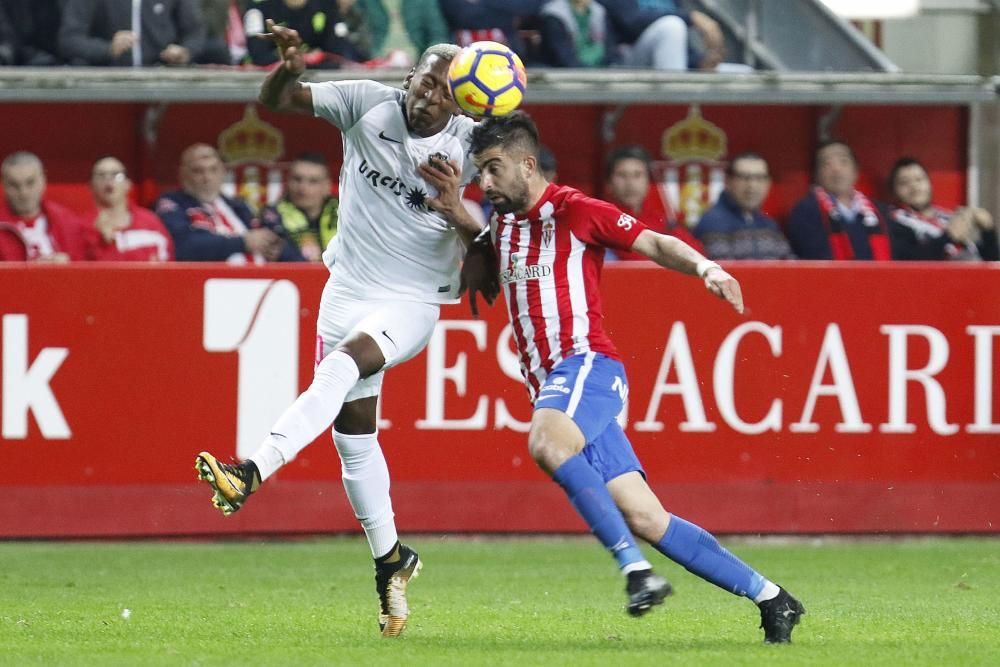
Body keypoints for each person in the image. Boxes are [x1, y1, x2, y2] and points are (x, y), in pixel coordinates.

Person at [424, 110, 805, 642]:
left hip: (587, 366)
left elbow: (652, 243)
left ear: (526, 164)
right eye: (479, 173)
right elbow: (488, 251)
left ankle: (635, 570)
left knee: (547, 442)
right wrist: (452, 211)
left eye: (492, 170)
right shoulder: (503, 223)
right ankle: (772, 598)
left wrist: (707, 269)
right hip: (559, 385)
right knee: (648, 518)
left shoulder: (577, 211)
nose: (483, 183)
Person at [193, 22, 492, 638]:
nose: (427, 97)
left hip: (411, 302)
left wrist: (454, 205)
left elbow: (486, 264)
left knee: (340, 368)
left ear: (460, 99)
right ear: (409, 79)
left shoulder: (472, 147)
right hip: (347, 289)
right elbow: (275, 102)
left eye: (442, 91)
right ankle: (391, 561)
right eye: (424, 83)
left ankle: (250, 470)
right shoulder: (366, 102)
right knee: (354, 440)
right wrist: (287, 65)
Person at [156, 143, 302, 263]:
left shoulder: (237, 206)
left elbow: (269, 238)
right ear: (183, 174)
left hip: (261, 282)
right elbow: (183, 246)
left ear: (222, 172)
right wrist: (242, 243)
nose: (207, 178)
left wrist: (277, 249)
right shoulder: (172, 204)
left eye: (213, 170)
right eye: (198, 171)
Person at [786, 140, 892, 261]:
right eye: (827, 164)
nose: (836, 169)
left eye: (843, 161)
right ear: (816, 175)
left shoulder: (882, 212)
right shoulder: (805, 211)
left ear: (856, 171)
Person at [888, 157, 998, 262]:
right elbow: (910, 260)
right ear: (894, 191)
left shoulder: (950, 217)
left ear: (929, 183)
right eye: (904, 182)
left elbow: (992, 260)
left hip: (977, 276)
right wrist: (948, 237)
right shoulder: (893, 221)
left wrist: (988, 231)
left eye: (919, 179)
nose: (914, 186)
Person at [604, 144, 703, 260]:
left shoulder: (662, 220)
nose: (630, 183)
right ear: (609, 183)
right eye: (622, 175)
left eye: (637, 175)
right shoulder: (603, 220)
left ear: (648, 182)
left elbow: (697, 254)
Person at [693, 152, 794, 260]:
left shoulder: (769, 225)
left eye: (759, 178)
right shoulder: (712, 223)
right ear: (728, 182)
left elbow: (790, 266)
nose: (752, 185)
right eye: (744, 177)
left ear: (768, 183)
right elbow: (724, 273)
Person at [59, 0, 207, 66]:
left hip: (163, 80)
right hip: (106, 84)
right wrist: (107, 49)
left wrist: (184, 52)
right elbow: (69, 39)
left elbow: (195, 32)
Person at [0, 152, 87, 263]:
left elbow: (89, 265)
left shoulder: (67, 221)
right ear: (4, 186)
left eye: (30, 183)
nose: (23, 193)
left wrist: (69, 264)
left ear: (43, 181)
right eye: (14, 185)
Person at [83, 156, 175, 261]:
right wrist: (102, 243)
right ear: (91, 186)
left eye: (116, 175)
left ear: (128, 184)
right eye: (101, 176)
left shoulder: (150, 222)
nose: (108, 180)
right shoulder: (83, 227)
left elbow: (168, 263)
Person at [601, 0, 724, 71]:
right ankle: (673, 106)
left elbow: (677, 42)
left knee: (739, 73)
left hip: (670, 67)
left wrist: (699, 62)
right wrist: (691, 17)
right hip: (626, 64)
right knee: (671, 26)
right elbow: (632, 21)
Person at [244, 0, 371, 67]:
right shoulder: (258, 8)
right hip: (266, 84)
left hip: (316, 84)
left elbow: (335, 53)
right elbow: (258, 55)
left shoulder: (325, 5)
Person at [268, 152, 339, 261]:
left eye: (313, 181)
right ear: (287, 182)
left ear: (327, 186)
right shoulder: (272, 215)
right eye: (297, 179)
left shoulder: (346, 214)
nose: (303, 188)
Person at [538, 0, 618, 68]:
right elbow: (563, 57)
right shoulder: (554, 15)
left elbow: (609, 49)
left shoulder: (599, 11)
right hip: (563, 72)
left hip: (601, 70)